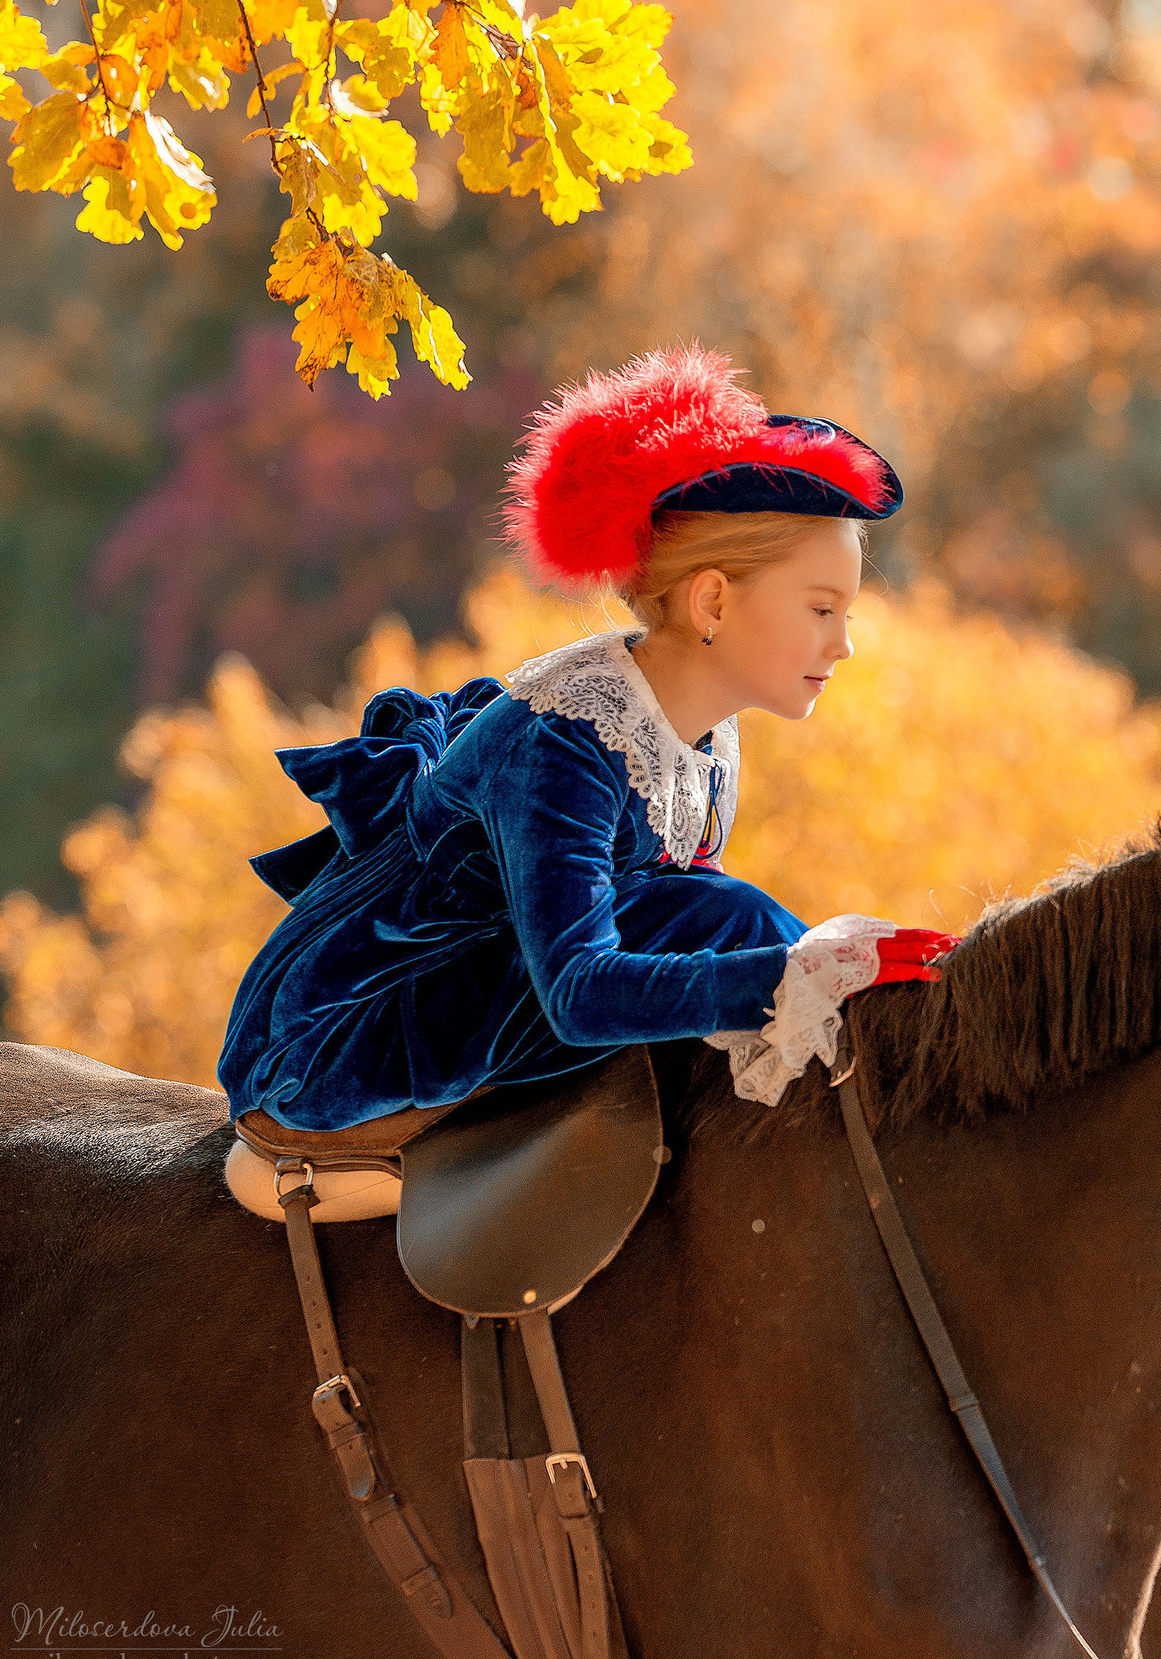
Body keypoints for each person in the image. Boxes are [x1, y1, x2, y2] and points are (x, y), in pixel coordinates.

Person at [218, 347, 955, 1133]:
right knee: (727, 917)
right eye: (820, 610)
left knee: (719, 914)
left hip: (509, 979)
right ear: (712, 601)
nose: (844, 644)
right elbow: (576, 990)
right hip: (356, 1020)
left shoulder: (706, 732)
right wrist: (791, 974)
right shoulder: (561, 742)